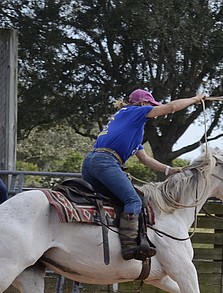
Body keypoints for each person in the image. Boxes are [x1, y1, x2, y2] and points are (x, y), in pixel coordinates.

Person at [82, 88, 205, 260]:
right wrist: (195, 99)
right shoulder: (135, 112)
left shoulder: (130, 126)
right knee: (133, 200)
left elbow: (144, 158)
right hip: (106, 162)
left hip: (91, 162)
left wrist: (169, 170)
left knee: (111, 201)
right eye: (150, 105)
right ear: (142, 103)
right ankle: (130, 247)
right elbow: (170, 108)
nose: (153, 111)